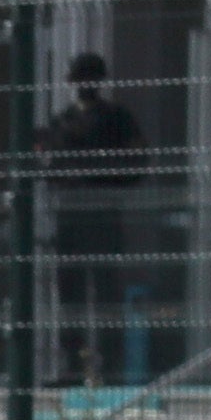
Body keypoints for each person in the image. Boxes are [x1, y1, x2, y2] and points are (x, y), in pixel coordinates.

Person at [39, 50, 154, 385]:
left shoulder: (116, 118)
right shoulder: (61, 121)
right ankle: (73, 366)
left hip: (101, 212)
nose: (82, 86)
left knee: (105, 291)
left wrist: (108, 180)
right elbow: (51, 167)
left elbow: (137, 161)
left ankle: (109, 366)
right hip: (70, 214)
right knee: (70, 292)